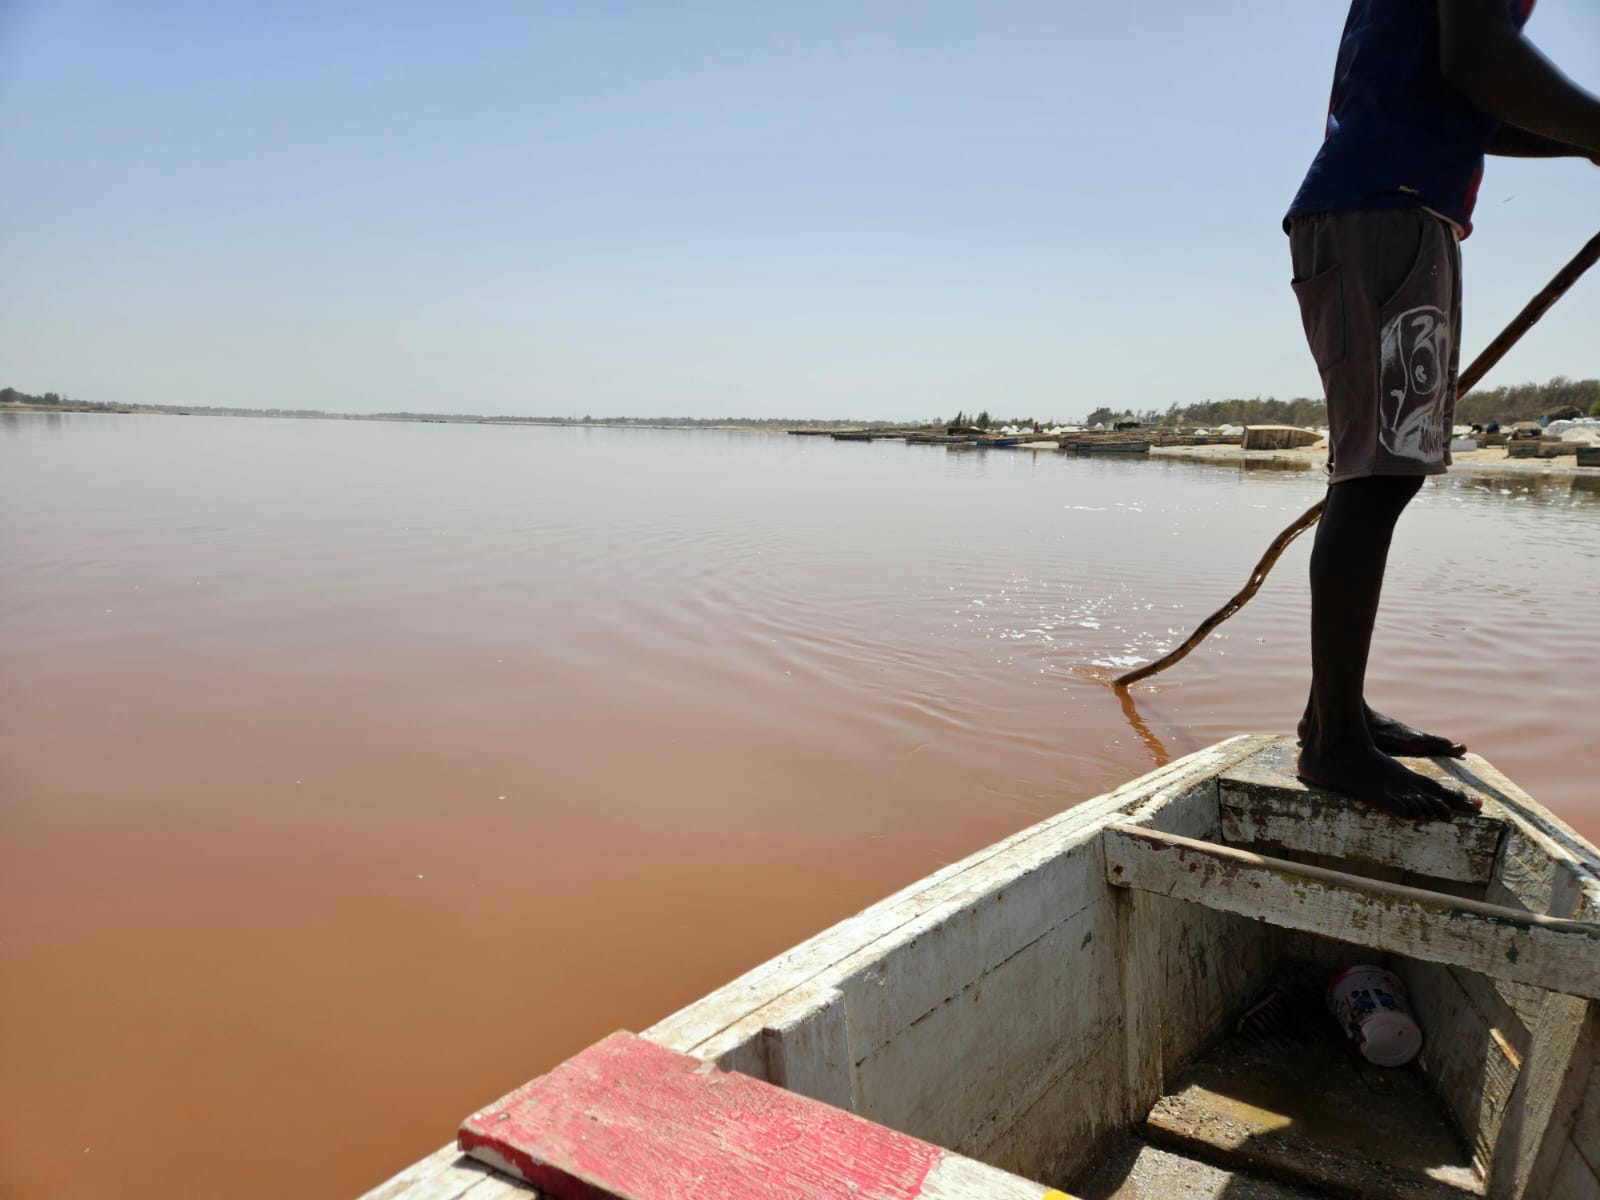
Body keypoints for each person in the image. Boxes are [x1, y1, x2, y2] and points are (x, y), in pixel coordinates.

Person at [1284, 0, 1600, 820]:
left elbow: (1470, 100)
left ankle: (1338, 715)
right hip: (1384, 209)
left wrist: (1587, 139)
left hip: (1395, 208)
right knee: (1377, 476)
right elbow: (1481, 59)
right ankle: (1332, 745)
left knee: (1385, 474)